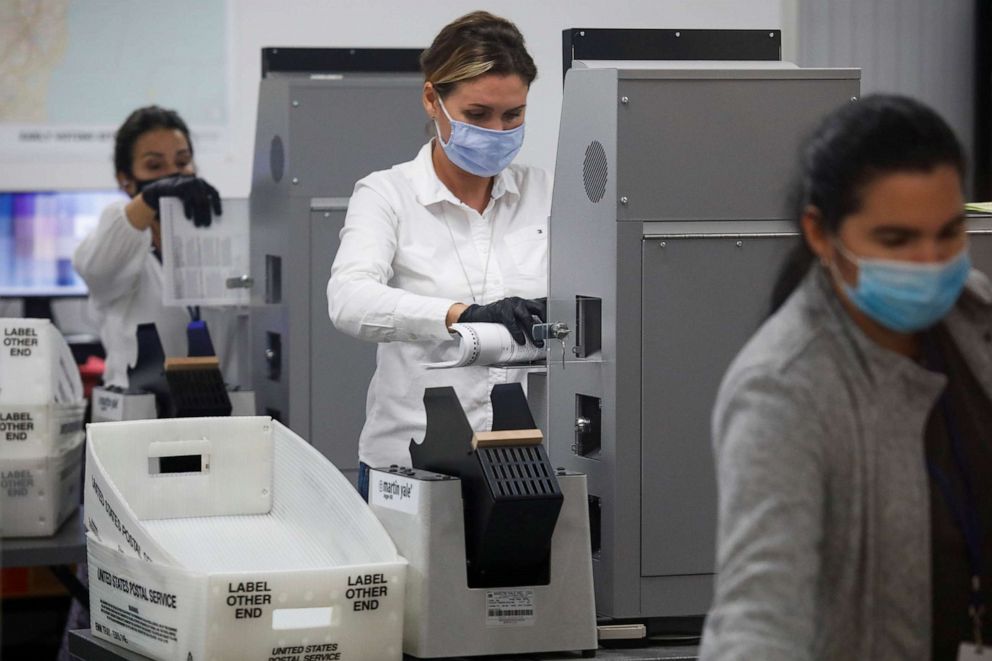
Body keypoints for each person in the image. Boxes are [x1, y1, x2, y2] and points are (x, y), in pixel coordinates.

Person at [700, 95, 992, 660]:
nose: (932, 261)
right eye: (897, 240)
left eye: (950, 232)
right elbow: (760, 614)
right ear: (820, 232)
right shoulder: (783, 387)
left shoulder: (976, 318)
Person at [327, 11, 550, 496]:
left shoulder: (548, 195)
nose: (497, 130)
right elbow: (349, 300)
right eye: (477, 115)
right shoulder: (387, 193)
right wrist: (460, 315)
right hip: (409, 464)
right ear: (433, 99)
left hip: (530, 463)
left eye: (513, 115)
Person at [73, 106, 239, 389]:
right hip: (140, 413)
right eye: (154, 166)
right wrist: (151, 198)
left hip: (221, 407)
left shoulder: (223, 238)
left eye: (182, 161)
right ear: (125, 179)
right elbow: (96, 269)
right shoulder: (114, 242)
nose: (173, 174)